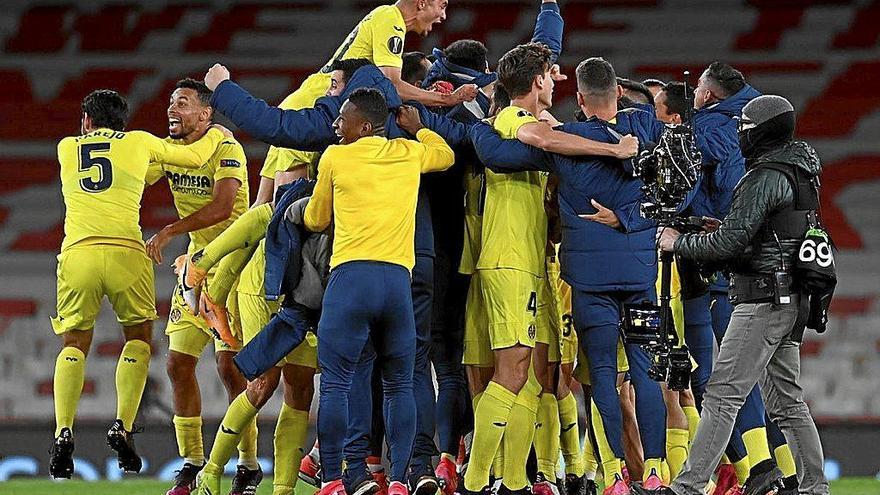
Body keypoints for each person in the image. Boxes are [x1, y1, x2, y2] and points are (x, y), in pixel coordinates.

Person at [470, 56, 672, 495]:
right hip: (641, 278)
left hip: (590, 284)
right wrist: (629, 217)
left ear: (578, 99)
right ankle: (656, 471)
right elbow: (681, 185)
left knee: (600, 374)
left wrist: (479, 128)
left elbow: (501, 153)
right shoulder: (649, 133)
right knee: (644, 373)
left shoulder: (564, 141)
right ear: (618, 93)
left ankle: (614, 473)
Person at [642, 96, 829, 495]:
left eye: (745, 126)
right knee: (787, 403)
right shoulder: (802, 172)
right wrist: (722, 229)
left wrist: (680, 241)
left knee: (723, 394)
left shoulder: (762, 176)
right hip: (791, 299)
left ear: (762, 131)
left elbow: (729, 244)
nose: (740, 133)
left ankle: (687, 487)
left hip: (761, 297)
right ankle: (815, 488)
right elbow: (770, 232)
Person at [48, 89, 230, 479]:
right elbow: (195, 157)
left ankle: (63, 429)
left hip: (78, 252)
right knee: (138, 339)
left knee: (74, 342)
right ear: (123, 122)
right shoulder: (140, 142)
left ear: (86, 121)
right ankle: (124, 426)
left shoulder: (66, 147)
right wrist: (217, 133)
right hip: (127, 253)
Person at [303, 88, 455, 495]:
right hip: (396, 284)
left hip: (351, 279)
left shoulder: (335, 158)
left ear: (365, 126)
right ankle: (401, 479)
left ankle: (334, 478)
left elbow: (317, 219)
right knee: (400, 384)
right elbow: (446, 154)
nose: (336, 125)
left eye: (343, 119)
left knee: (335, 382)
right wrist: (419, 129)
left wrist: (301, 211)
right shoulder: (407, 155)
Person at [139, 78, 256, 495]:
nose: (173, 109)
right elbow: (138, 176)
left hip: (235, 263)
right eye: (171, 102)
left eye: (183, 103)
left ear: (205, 114)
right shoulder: (172, 152)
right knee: (176, 363)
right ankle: (190, 464)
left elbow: (225, 206)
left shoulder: (227, 148)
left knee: (231, 368)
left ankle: (247, 465)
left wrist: (170, 229)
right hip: (194, 266)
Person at [252, 0, 476, 207]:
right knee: (284, 213)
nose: (444, 15)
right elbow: (392, 83)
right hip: (314, 109)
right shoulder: (391, 19)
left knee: (262, 207)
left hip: (304, 101)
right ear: (422, 2)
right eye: (442, 5)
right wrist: (448, 98)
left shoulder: (383, 17)